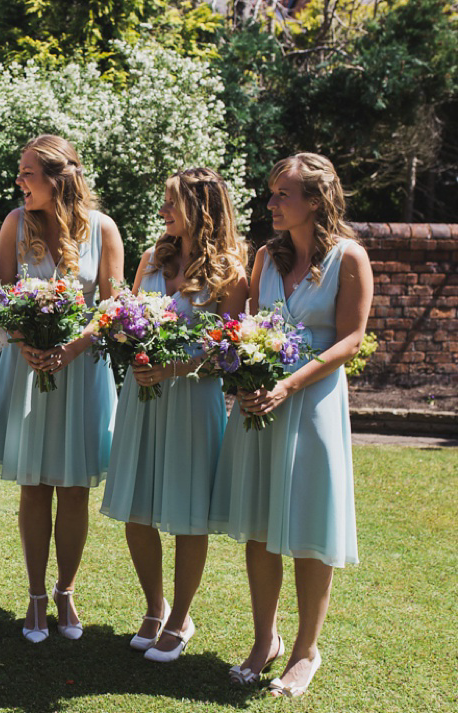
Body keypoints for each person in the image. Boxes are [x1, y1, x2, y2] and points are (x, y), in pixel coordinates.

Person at [209, 153, 373, 696]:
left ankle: (306, 650)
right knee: (260, 525)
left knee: (307, 527)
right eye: (272, 193)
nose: (271, 203)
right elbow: (250, 326)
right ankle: (265, 641)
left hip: (314, 405)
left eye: (283, 194)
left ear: (316, 200)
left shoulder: (350, 258)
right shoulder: (265, 258)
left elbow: (349, 339)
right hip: (262, 405)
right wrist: (245, 376)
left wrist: (289, 385)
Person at [100, 168, 248, 662]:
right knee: (137, 505)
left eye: (171, 203)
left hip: (191, 400)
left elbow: (227, 345)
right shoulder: (151, 258)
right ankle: (153, 606)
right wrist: (129, 346)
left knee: (187, 514)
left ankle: (182, 616)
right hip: (142, 397)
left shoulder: (230, 270)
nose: (162, 211)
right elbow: (126, 318)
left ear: (200, 209)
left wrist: (175, 367)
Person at [0, 135, 123, 642]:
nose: (20, 182)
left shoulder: (103, 229)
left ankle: (66, 592)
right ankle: (34, 596)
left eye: (28, 173)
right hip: (27, 370)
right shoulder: (15, 224)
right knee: (34, 486)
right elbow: (2, 292)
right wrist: (25, 342)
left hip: (81, 369)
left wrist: (73, 347)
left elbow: (112, 306)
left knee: (73, 490)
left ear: (56, 179)